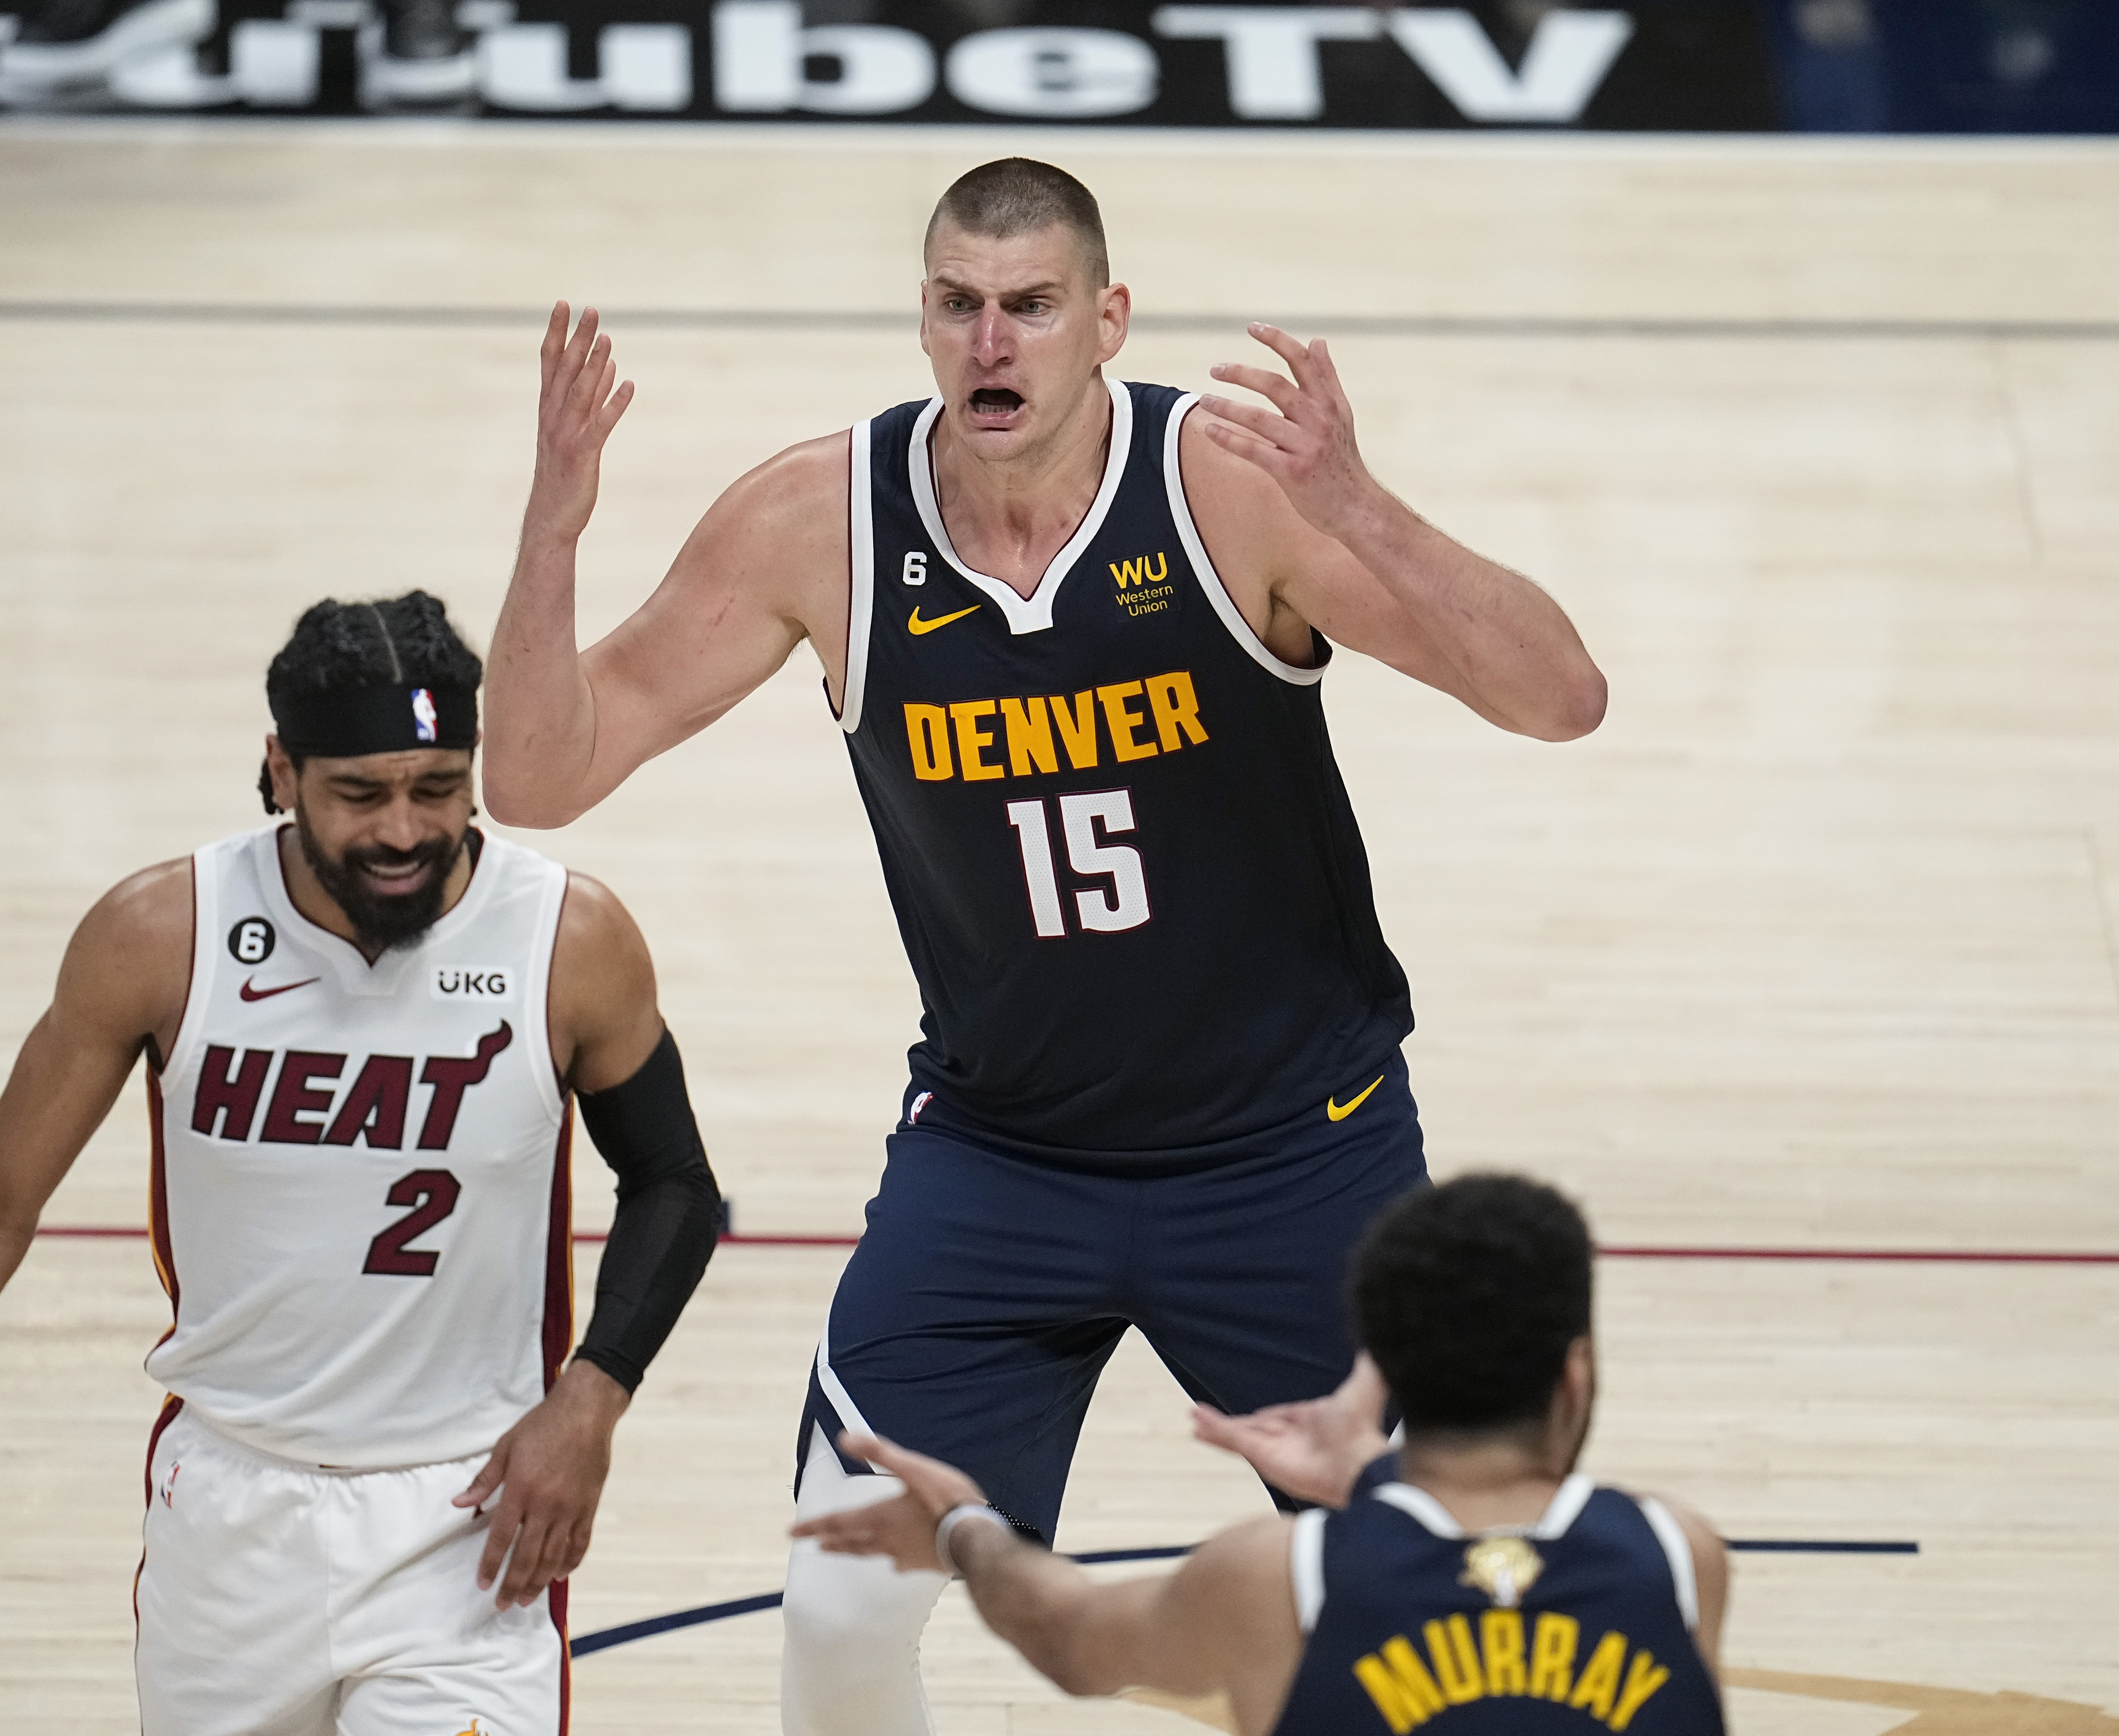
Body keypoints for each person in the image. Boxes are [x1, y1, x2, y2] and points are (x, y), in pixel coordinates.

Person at [481, 156, 1607, 1736]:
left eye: (1029, 307)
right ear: (922, 320)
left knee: (1430, 1635)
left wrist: (1355, 502)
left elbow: (1559, 695)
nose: (990, 343)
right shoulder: (822, 518)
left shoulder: (1227, 485)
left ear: (1107, 321)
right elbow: (537, 775)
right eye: (957, 306)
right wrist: (552, 527)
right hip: (1007, 1160)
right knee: (839, 1603)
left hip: (1297, 1154)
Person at [0, 593, 724, 1733]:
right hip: (230, 1510)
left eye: (438, 787)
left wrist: (591, 1396)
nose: (405, 830)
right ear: (281, 769)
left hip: (471, 1512)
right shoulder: (164, 935)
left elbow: (675, 1182)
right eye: (361, 794)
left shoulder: (570, 939)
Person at [794, 1173, 1729, 1736]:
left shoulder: (1277, 1577)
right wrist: (1374, 1481)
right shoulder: (1681, 1558)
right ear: (1573, 1379)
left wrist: (964, 1523)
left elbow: (1067, 1639)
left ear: (1385, 1358)